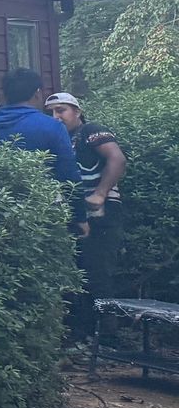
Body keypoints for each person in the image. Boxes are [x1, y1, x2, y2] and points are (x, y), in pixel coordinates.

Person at [47, 92, 128, 336]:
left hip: (103, 213)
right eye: (51, 112)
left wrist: (100, 193)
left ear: (77, 111)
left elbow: (117, 158)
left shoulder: (90, 131)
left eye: (61, 110)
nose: (56, 117)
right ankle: (82, 335)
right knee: (77, 274)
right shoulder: (58, 138)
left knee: (98, 274)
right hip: (74, 216)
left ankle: (109, 338)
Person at [0, 67, 79, 186]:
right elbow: (68, 175)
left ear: (4, 94)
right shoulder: (53, 127)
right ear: (37, 93)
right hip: (40, 201)